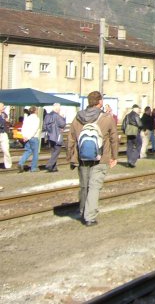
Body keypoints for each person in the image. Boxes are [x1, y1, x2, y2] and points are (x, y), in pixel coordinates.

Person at [67, 90, 118, 226]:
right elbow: (114, 138)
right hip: (101, 158)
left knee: (84, 186)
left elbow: (71, 138)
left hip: (82, 157)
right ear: (100, 102)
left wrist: (70, 157)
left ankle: (83, 211)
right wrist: (114, 156)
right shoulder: (107, 118)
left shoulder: (78, 118)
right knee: (94, 186)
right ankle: (89, 217)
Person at [43, 103, 66, 172]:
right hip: (57, 136)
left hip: (50, 136)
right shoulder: (57, 116)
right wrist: (62, 117)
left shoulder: (47, 116)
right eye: (59, 109)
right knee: (57, 151)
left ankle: (53, 167)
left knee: (53, 151)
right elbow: (62, 124)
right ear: (57, 109)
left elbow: (44, 126)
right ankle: (49, 165)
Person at [17, 106, 41, 172]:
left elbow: (23, 128)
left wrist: (24, 136)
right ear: (35, 111)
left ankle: (21, 163)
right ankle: (34, 168)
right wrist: (29, 137)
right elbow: (35, 129)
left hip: (26, 137)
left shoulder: (27, 118)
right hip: (33, 137)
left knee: (28, 151)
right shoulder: (36, 119)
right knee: (35, 153)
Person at [0, 103, 12, 170]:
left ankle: (8, 165)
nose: (3, 108)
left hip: (3, 133)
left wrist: (7, 122)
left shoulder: (4, 114)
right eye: (2, 107)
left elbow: (8, 122)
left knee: (6, 149)